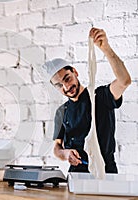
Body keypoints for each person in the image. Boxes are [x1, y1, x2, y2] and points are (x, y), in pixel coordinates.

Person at [43, 28, 131, 173]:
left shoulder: (101, 97)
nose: (66, 87)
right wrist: (66, 154)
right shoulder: (62, 111)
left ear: (75, 72)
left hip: (105, 172)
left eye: (67, 78)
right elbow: (57, 148)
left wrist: (106, 49)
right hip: (76, 174)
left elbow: (124, 81)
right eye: (59, 85)